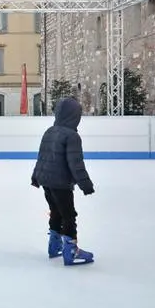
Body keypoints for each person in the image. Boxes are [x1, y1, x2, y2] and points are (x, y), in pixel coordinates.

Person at [31, 97, 95, 266]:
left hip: (47, 181)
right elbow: (76, 164)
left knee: (55, 211)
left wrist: (36, 176)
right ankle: (71, 251)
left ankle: (54, 246)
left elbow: (42, 158)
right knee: (69, 215)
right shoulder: (72, 136)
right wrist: (85, 184)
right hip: (61, 183)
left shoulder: (50, 131)